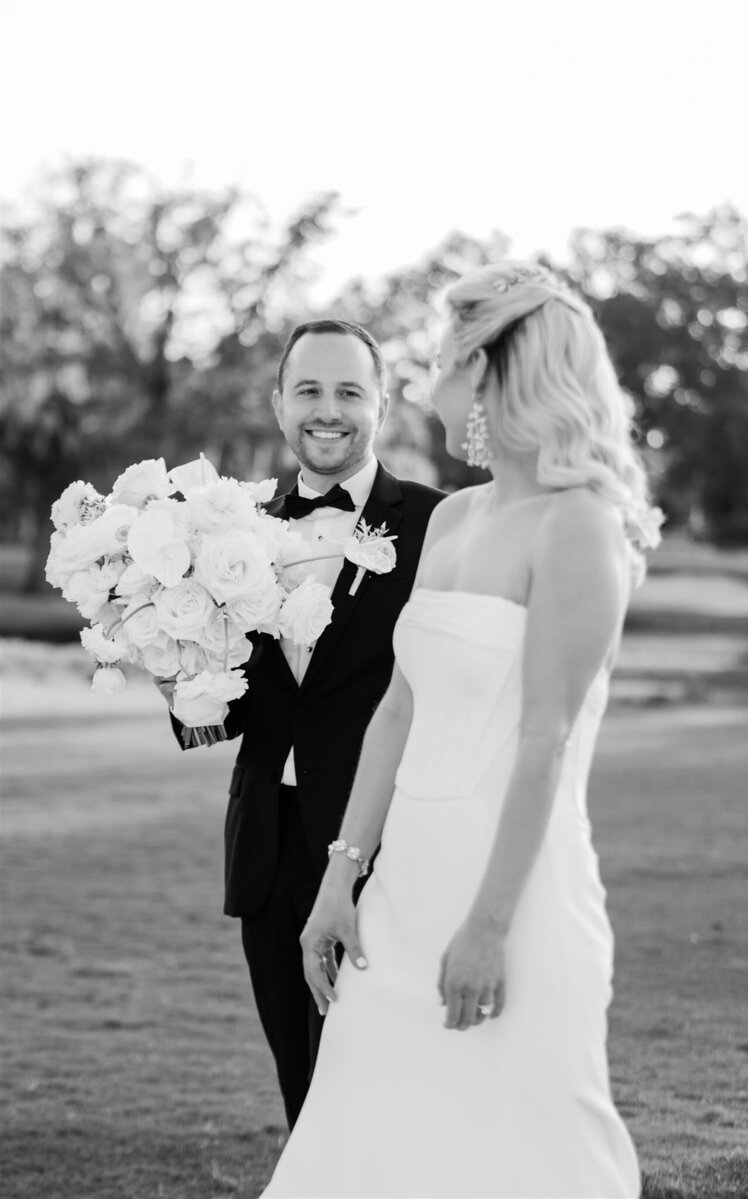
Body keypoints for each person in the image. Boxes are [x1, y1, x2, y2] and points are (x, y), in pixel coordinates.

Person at [260, 264, 662, 1198]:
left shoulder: (577, 528)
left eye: (443, 356)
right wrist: (339, 874)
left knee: (515, 1152)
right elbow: (398, 708)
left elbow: (545, 740)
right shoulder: (452, 521)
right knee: (364, 1141)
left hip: (512, 894)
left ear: (484, 370)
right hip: (400, 897)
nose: (430, 376)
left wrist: (487, 926)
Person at [158, 319, 444, 1128]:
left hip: (386, 842)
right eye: (308, 390)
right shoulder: (224, 529)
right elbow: (221, 718)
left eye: (350, 391)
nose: (329, 410)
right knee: (302, 1080)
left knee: (380, 1076)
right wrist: (169, 657)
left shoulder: (439, 525)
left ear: (381, 404)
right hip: (268, 842)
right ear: (279, 404)